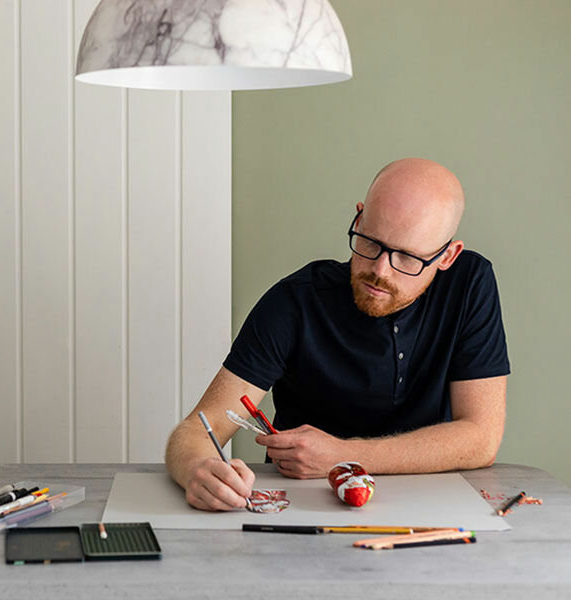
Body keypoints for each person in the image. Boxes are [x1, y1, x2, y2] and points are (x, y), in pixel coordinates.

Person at [165, 158, 510, 511]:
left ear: (447, 257)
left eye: (407, 257)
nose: (380, 271)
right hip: (303, 512)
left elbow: (481, 438)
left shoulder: (470, 284)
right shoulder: (295, 302)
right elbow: (194, 431)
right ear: (358, 218)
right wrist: (199, 472)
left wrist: (343, 455)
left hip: (429, 512)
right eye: (370, 242)